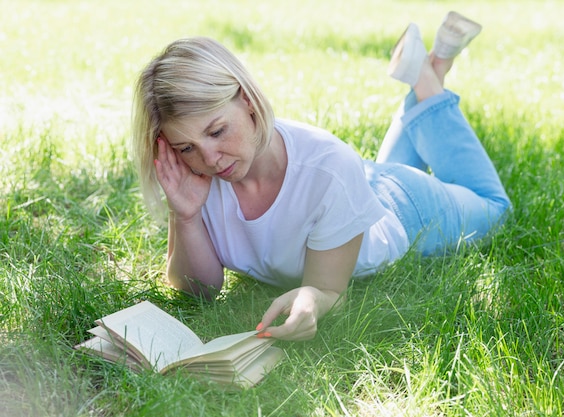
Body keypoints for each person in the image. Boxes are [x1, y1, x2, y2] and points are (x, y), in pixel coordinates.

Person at [131, 11, 511, 341]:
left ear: (247, 100)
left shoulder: (329, 168)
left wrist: (313, 298)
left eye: (217, 131)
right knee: (355, 177)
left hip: (403, 206)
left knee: (495, 207)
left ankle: (428, 80)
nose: (210, 159)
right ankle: (426, 72)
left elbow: (330, 290)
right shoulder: (197, 176)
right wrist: (185, 215)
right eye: (186, 147)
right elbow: (198, 291)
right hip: (352, 188)